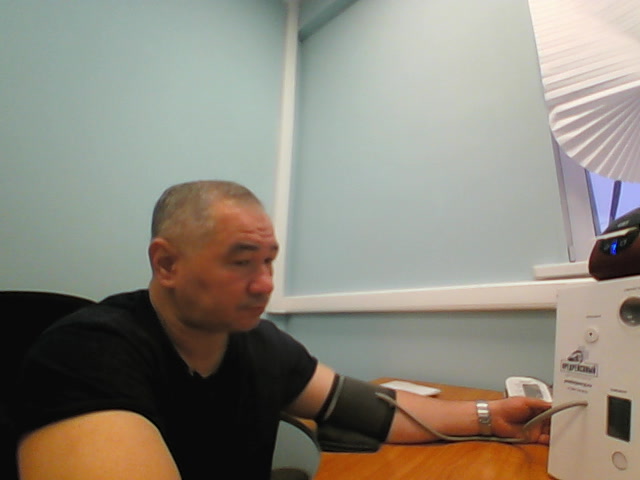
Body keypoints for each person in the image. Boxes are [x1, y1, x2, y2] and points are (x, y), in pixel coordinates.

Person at [16, 180, 551, 480]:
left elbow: (373, 412)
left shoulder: (260, 345)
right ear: (167, 264)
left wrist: (489, 417)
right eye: (241, 261)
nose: (265, 284)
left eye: (269, 261)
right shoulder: (85, 353)